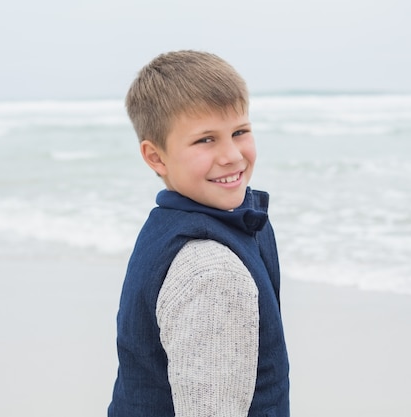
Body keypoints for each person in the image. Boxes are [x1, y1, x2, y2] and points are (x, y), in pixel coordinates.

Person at [108, 50, 290, 417]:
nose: (232, 156)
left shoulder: (168, 222)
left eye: (240, 132)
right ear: (156, 157)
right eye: (205, 140)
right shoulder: (212, 272)